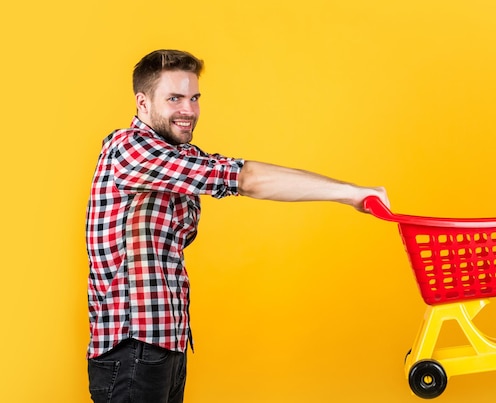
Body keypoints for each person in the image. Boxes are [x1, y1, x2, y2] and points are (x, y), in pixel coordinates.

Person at [85, 49, 389, 403]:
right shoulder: (130, 150)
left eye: (194, 98)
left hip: (164, 345)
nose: (189, 110)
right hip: (132, 350)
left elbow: (244, 170)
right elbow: (242, 178)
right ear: (143, 101)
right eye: (175, 98)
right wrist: (350, 195)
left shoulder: (176, 155)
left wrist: (349, 191)